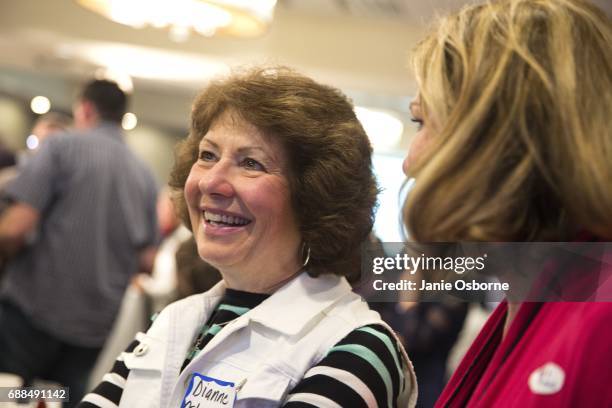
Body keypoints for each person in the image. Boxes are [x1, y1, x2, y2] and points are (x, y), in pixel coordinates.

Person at [80, 66, 417, 407]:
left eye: (251, 163)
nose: (211, 182)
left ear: (316, 196)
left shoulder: (357, 347)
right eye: (207, 155)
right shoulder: (174, 321)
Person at [401, 0, 612, 406]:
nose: (410, 163)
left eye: (425, 122)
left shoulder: (598, 314)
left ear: (508, 135)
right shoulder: (526, 301)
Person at [0, 79, 159, 407]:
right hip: (93, 325)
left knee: (8, 395)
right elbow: (147, 262)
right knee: (58, 399)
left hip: (32, 311)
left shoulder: (62, 148)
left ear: (85, 108)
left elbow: (16, 228)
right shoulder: (144, 176)